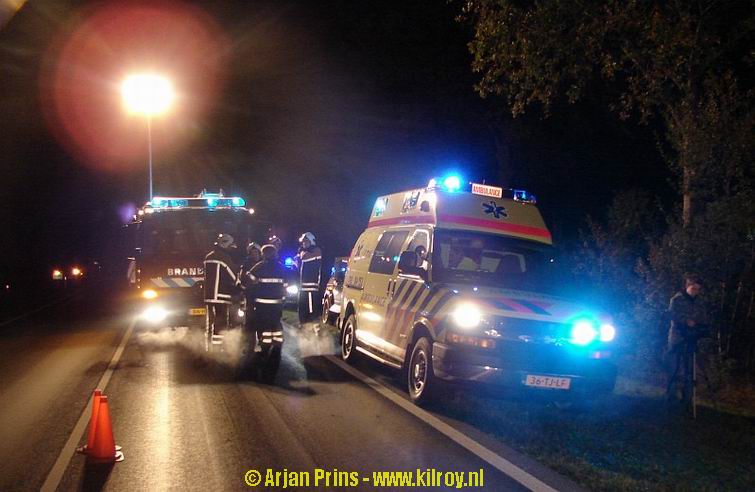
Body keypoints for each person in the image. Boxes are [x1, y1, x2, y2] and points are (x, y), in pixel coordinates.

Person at [666, 273, 709, 407]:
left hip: (691, 340)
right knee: (674, 368)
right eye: (694, 288)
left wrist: (699, 326)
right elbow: (672, 315)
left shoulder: (699, 302)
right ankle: (671, 396)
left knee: (689, 370)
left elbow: (704, 319)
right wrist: (685, 321)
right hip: (677, 339)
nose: (696, 292)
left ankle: (687, 399)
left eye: (698, 289)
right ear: (687, 286)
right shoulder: (676, 300)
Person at [244, 245, 287, 380]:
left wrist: (251, 297)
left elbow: (248, 279)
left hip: (261, 305)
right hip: (277, 305)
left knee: (264, 327)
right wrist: (283, 298)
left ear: (263, 254)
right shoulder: (281, 267)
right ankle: (276, 347)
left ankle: (264, 351)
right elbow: (288, 284)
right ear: (275, 254)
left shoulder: (259, 266)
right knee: (276, 325)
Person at [203, 233, 240, 349]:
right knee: (221, 322)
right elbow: (234, 277)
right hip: (221, 296)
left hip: (209, 296)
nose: (232, 250)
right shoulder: (224, 258)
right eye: (230, 247)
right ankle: (218, 349)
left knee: (210, 322)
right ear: (225, 245)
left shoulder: (208, 257)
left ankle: (209, 347)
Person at [296, 232, 322, 324]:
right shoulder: (304, 251)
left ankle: (313, 328)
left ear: (311, 241)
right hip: (303, 287)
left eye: (306, 241)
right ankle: (303, 326)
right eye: (303, 242)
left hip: (311, 288)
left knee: (311, 311)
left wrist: (300, 253)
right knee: (302, 309)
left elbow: (304, 257)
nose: (304, 243)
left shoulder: (316, 250)